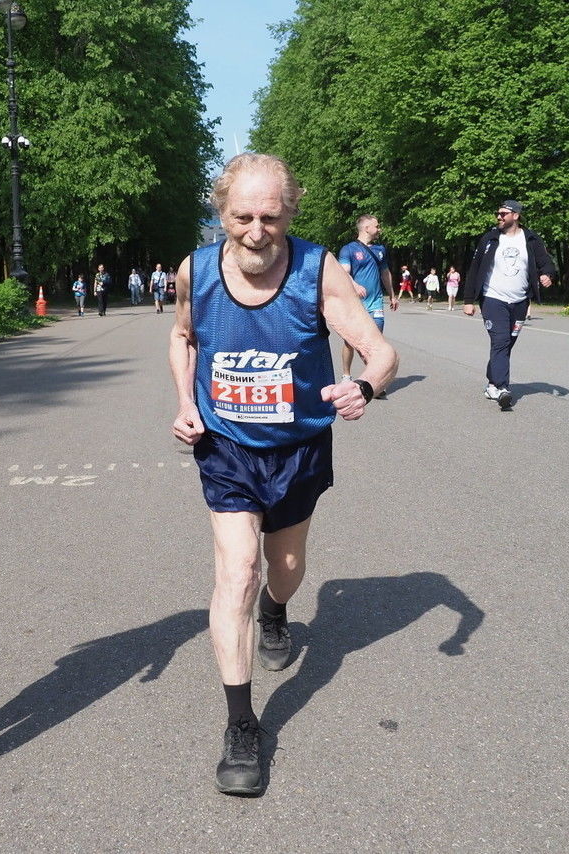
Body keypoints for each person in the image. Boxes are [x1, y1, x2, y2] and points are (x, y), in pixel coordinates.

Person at [169, 153, 398, 796]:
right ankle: (242, 724)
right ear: (222, 213)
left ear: (289, 213)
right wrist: (187, 403)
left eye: (270, 216)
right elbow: (183, 337)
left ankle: (277, 612)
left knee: (285, 568)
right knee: (236, 569)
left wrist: (365, 387)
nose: (255, 230)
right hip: (227, 448)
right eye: (241, 216)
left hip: (298, 448)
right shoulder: (197, 270)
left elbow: (380, 351)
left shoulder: (317, 269)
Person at [462, 200, 555, 411]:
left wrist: (547, 274)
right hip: (493, 298)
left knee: (506, 343)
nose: (499, 217)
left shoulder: (530, 239)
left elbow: (546, 262)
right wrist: (468, 300)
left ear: (516, 215)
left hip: (520, 301)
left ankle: (492, 382)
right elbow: (474, 269)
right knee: (501, 340)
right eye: (498, 213)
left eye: (503, 213)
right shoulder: (490, 238)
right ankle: (503, 388)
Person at [337, 214, 396, 392]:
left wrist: (392, 295)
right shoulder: (348, 249)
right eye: (377, 226)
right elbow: (343, 272)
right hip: (354, 305)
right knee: (350, 342)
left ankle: (373, 382)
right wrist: (354, 285)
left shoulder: (380, 250)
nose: (379, 229)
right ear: (366, 228)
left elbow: (385, 273)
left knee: (376, 342)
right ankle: (346, 376)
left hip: (376, 303)